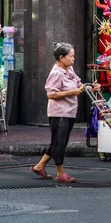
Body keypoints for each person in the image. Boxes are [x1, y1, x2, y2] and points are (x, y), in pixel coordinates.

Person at [31, 43, 101, 183]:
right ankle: (60, 173)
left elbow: (79, 85)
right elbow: (51, 94)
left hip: (69, 112)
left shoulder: (69, 69)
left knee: (57, 141)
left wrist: (92, 88)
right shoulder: (56, 73)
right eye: (71, 56)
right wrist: (72, 92)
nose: (73, 59)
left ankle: (39, 166)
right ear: (61, 57)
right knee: (60, 142)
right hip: (59, 113)